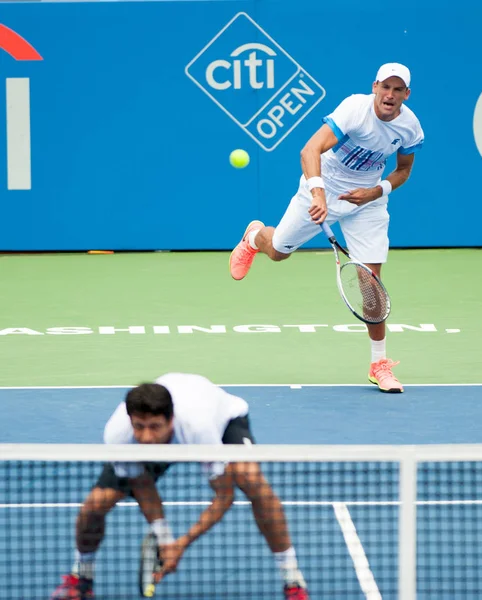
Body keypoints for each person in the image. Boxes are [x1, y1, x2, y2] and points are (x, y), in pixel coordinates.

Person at [229, 63, 424, 393]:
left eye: (398, 89)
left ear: (407, 94)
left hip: (368, 201)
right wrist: (318, 193)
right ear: (375, 86)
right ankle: (253, 237)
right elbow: (310, 150)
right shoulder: (354, 109)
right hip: (323, 188)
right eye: (385, 87)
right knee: (277, 252)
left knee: (370, 283)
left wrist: (375, 192)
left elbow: (403, 170)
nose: (390, 95)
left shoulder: (409, 127)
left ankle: (379, 363)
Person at [50, 372, 310, 600]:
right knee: (95, 504)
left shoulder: (198, 427)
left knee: (253, 482)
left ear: (171, 419)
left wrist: (181, 544)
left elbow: (224, 495)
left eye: (154, 427)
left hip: (225, 421)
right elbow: (142, 486)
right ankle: (81, 577)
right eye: (139, 427)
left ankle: (292, 579)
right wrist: (164, 538)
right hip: (172, 433)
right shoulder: (118, 434)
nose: (146, 437)